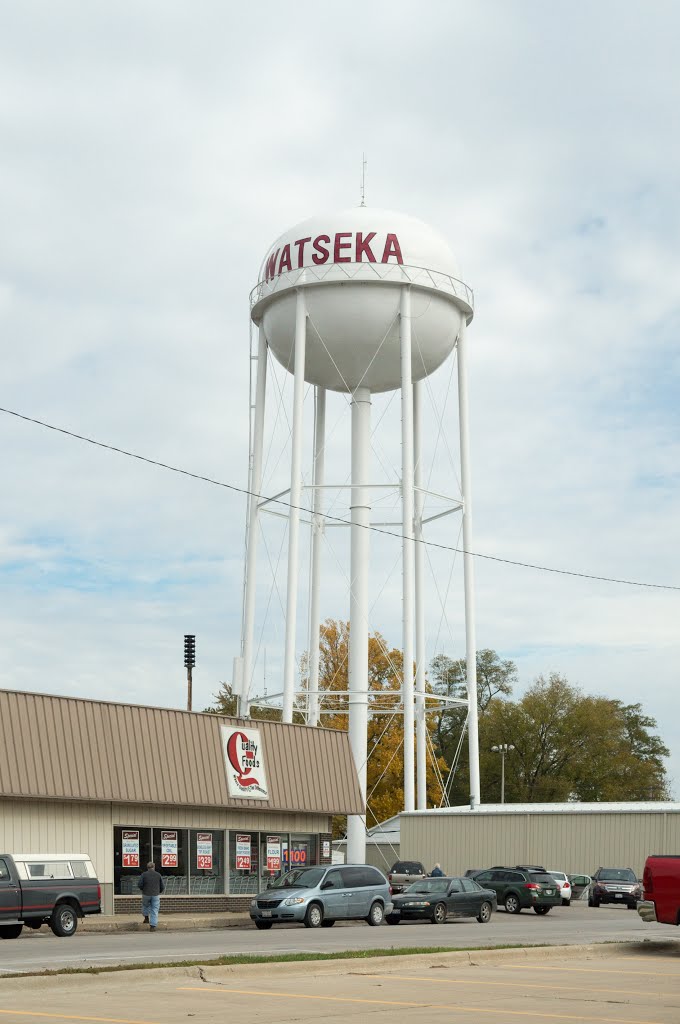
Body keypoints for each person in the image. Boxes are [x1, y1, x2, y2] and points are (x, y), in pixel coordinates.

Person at [137, 860, 165, 930]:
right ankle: (152, 926)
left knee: (145, 906)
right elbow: (162, 886)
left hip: (146, 894)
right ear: (154, 867)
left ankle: (146, 918)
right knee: (154, 909)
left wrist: (143, 889)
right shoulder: (158, 875)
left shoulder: (144, 874)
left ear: (147, 867)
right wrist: (159, 891)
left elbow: (139, 884)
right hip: (155, 894)